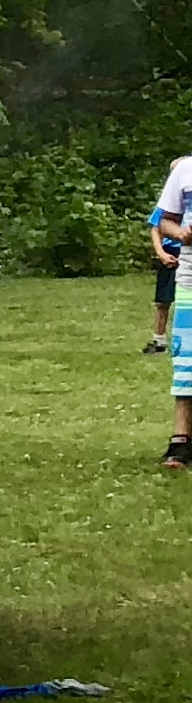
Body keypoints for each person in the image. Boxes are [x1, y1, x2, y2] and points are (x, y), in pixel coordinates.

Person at [157, 155, 192, 469]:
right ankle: (180, 440)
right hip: (190, 282)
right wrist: (181, 234)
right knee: (187, 361)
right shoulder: (184, 170)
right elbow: (164, 221)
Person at [148, 194, 181, 356]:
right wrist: (161, 254)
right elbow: (156, 228)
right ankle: (159, 340)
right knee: (163, 299)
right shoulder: (168, 202)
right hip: (170, 253)